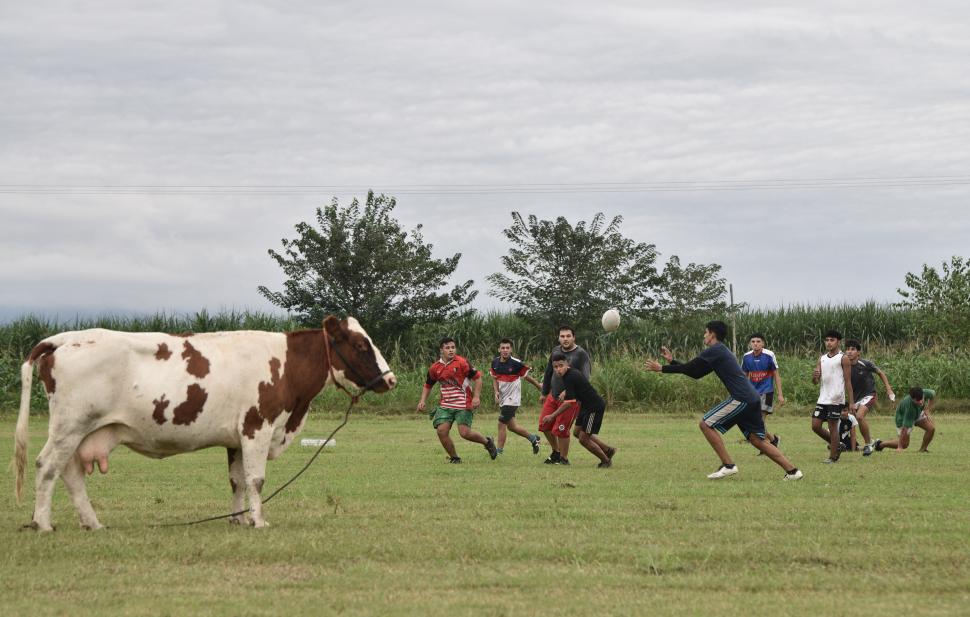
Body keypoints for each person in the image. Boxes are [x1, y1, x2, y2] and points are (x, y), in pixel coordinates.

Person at [645, 320, 802, 481]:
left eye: (706, 332)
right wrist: (672, 362)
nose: (704, 335)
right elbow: (696, 373)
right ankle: (793, 471)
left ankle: (728, 465)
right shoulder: (719, 352)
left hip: (742, 398)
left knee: (705, 424)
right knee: (757, 440)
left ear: (712, 334)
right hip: (752, 397)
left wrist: (662, 368)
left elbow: (690, 368)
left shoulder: (716, 349)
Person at [417, 337, 498, 463]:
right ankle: (455, 458)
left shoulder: (462, 362)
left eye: (453, 347)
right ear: (441, 350)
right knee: (441, 431)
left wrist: (476, 397)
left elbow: (478, 378)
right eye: (447, 348)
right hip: (445, 405)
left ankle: (487, 442)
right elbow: (428, 385)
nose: (451, 350)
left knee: (464, 433)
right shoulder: (435, 367)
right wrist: (422, 400)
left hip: (464, 403)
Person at [542, 352, 617, 467]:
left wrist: (552, 416)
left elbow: (569, 403)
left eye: (561, 366)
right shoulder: (567, 376)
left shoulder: (571, 376)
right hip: (585, 406)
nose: (558, 369)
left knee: (583, 439)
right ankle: (607, 450)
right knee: (577, 432)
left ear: (567, 364)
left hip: (594, 407)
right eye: (555, 367)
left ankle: (606, 461)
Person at [539, 325, 591, 466]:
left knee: (561, 430)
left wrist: (567, 391)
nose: (565, 339)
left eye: (568, 336)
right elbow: (549, 371)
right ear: (559, 338)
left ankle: (564, 459)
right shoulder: (555, 351)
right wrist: (544, 392)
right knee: (544, 425)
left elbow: (585, 379)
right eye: (562, 336)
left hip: (571, 399)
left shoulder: (581, 354)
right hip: (552, 396)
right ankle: (556, 453)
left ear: (574, 337)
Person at [489, 338, 543, 455]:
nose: (505, 350)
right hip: (503, 398)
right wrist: (496, 392)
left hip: (513, 399)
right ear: (499, 349)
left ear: (511, 349)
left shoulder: (516, 363)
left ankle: (498, 451)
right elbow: (494, 378)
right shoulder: (495, 363)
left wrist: (539, 386)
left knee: (501, 422)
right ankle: (534, 439)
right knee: (512, 427)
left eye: (507, 348)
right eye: (503, 348)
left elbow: (527, 377)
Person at [844, 339, 895, 456]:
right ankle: (861, 442)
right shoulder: (844, 366)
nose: (849, 352)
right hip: (855, 399)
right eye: (847, 349)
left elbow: (880, 373)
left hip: (869, 394)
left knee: (860, 416)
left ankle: (868, 445)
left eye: (852, 349)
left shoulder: (865, 363)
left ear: (858, 353)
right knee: (846, 418)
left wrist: (888, 388)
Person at [811, 330, 855, 464]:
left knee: (832, 426)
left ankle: (833, 456)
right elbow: (815, 382)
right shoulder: (822, 358)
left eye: (832, 340)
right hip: (823, 398)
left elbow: (848, 381)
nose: (829, 343)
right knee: (815, 426)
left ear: (838, 342)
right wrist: (815, 376)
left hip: (836, 399)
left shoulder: (843, 358)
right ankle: (838, 445)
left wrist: (851, 402)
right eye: (827, 340)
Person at [741, 333, 784, 450]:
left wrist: (780, 394)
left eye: (758, 341)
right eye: (753, 341)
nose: (755, 343)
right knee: (754, 421)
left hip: (767, 391)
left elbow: (776, 375)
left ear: (763, 343)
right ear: (750, 344)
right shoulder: (746, 357)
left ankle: (765, 447)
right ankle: (773, 440)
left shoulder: (769, 355)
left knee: (759, 420)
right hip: (752, 393)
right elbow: (744, 376)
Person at [874, 387, 937, 453]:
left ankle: (922, 450)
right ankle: (880, 444)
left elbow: (933, 395)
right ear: (912, 399)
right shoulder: (909, 407)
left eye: (921, 399)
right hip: (903, 417)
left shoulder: (924, 393)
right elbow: (905, 428)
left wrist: (927, 409)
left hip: (917, 413)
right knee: (905, 444)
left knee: (931, 428)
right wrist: (900, 447)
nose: (921, 402)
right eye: (917, 400)